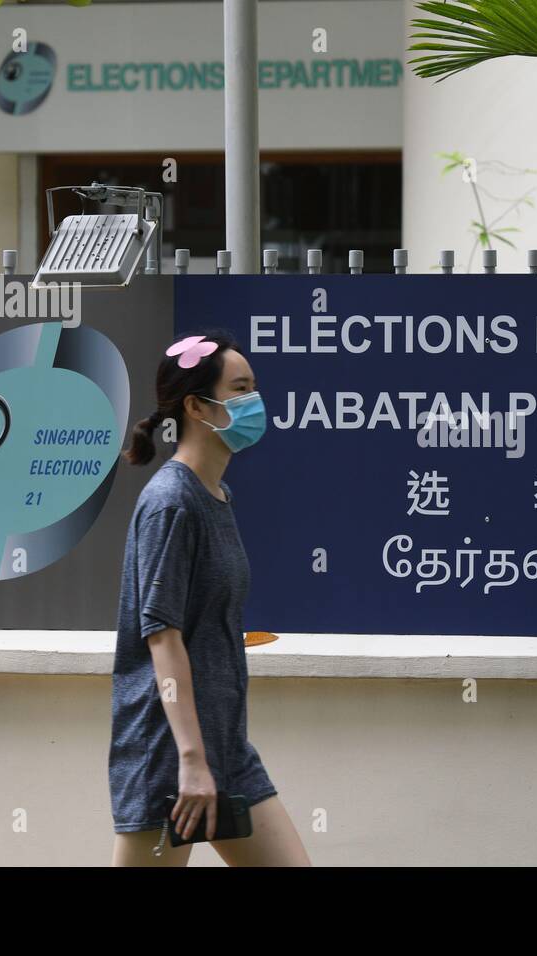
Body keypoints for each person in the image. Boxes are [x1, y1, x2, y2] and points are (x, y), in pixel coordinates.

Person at [109, 329, 310, 866]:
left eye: (255, 387)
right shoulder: (172, 503)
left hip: (226, 749)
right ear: (198, 405)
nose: (255, 401)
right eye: (240, 388)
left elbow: (195, 617)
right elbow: (162, 636)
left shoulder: (217, 496)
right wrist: (192, 760)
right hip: (170, 756)